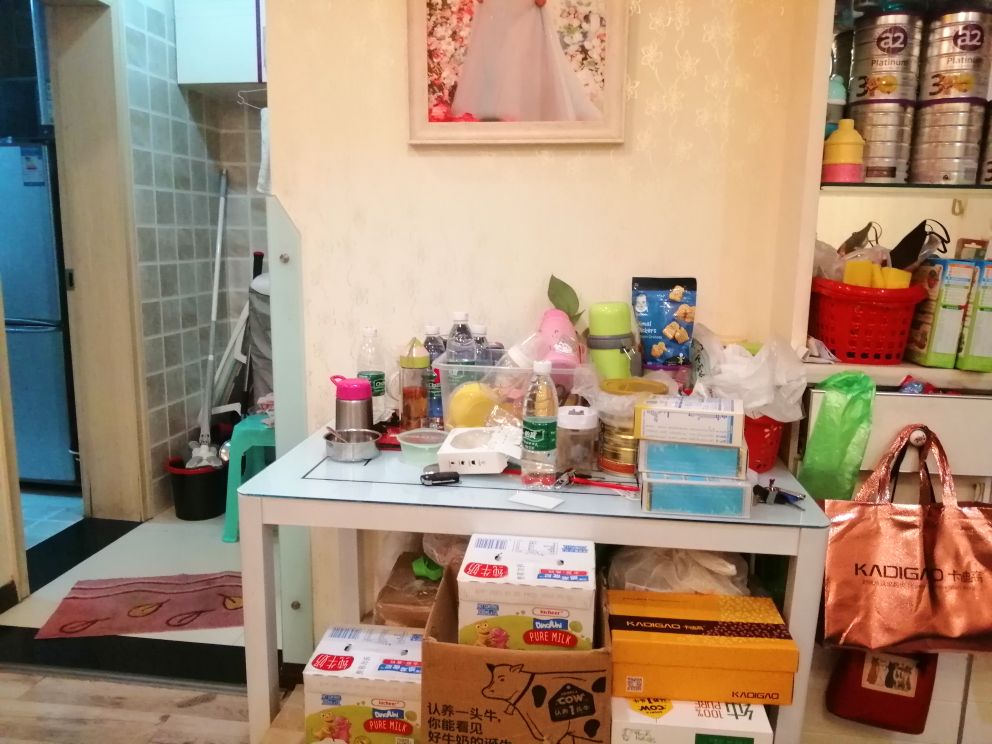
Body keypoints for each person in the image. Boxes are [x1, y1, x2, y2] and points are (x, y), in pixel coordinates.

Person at [452, 0, 603, 122]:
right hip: (501, 8)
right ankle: (505, 114)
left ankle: (514, 114)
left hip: (519, 8)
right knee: (497, 54)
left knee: (518, 54)